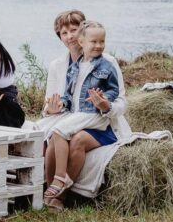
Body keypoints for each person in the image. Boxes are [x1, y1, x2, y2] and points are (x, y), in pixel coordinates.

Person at [39, 10, 131, 200]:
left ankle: (61, 194)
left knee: (76, 138)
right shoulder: (60, 66)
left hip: (101, 120)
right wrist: (52, 108)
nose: (70, 36)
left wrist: (106, 106)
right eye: (64, 33)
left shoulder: (107, 63)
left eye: (74, 30)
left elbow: (121, 101)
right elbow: (53, 103)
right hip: (71, 118)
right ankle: (47, 191)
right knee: (47, 137)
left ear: (82, 33)